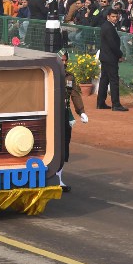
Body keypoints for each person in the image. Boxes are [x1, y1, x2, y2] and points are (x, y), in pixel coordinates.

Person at [57, 50, 88, 192]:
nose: (64, 63)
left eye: (65, 60)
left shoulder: (69, 77)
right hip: (51, 114)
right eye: (61, 60)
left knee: (64, 144)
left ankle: (58, 178)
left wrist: (81, 111)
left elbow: (75, 94)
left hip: (64, 113)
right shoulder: (50, 74)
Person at [97, 9, 128, 111]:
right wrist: (120, 54)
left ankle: (100, 103)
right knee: (114, 81)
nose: (115, 18)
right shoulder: (109, 27)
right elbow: (112, 45)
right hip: (110, 58)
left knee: (104, 80)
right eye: (113, 17)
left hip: (105, 57)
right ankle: (116, 104)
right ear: (108, 17)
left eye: (116, 16)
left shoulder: (107, 26)